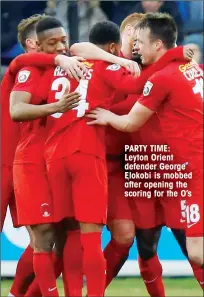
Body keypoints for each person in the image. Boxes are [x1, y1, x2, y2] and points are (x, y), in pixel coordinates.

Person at [87, 13, 204, 269]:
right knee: (191, 249)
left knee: (195, 251)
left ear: (157, 45)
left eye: (139, 40)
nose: (136, 46)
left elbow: (130, 122)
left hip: (190, 171)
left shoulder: (161, 78)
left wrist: (106, 115)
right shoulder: (194, 68)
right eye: (132, 38)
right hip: (174, 169)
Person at [9, 16, 82, 297]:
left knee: (67, 235)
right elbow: (16, 111)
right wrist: (55, 107)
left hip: (62, 159)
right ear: (36, 46)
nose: (61, 47)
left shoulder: (69, 63)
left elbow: (88, 48)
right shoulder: (29, 70)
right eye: (53, 43)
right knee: (44, 237)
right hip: (32, 161)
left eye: (64, 40)